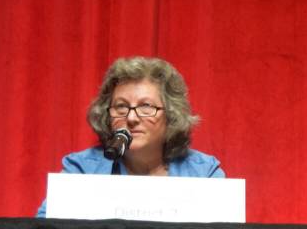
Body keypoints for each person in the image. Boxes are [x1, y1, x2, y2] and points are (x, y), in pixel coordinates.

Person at [36, 56, 225, 217]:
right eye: (121, 106)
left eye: (146, 107)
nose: (131, 118)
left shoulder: (204, 173)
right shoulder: (81, 170)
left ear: (171, 114)